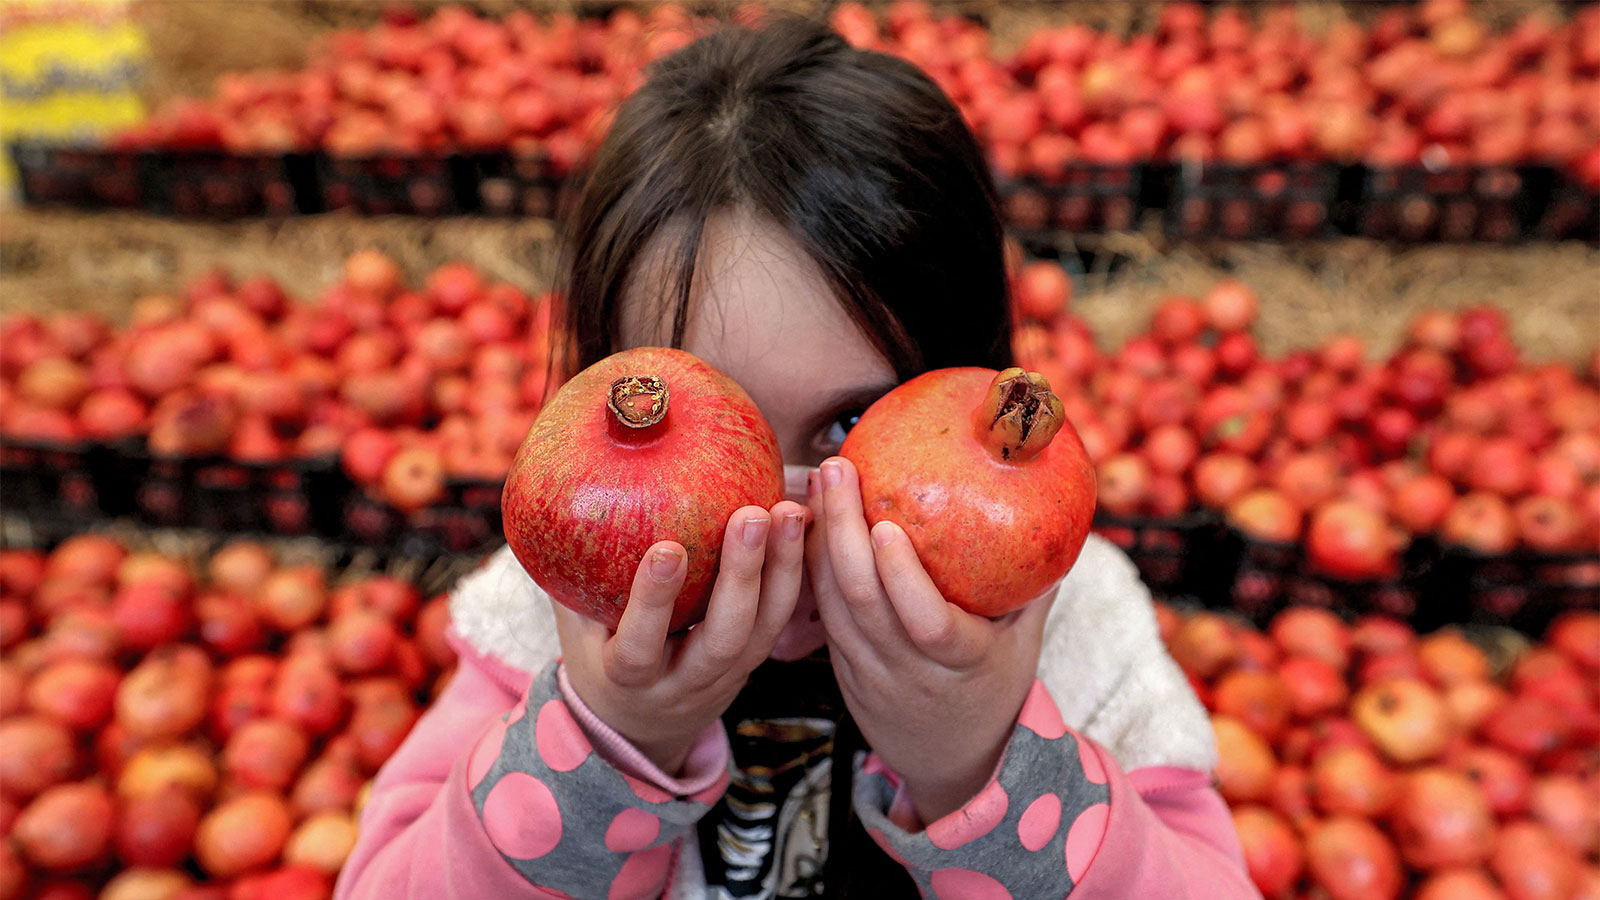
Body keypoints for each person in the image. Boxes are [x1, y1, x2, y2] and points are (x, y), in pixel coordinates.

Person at [336, 15, 1258, 900]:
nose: (775, 523)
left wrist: (978, 759)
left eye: (851, 423)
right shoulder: (547, 622)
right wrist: (610, 736)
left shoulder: (1073, 629)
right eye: (709, 418)